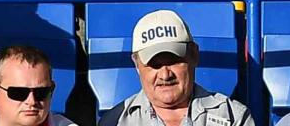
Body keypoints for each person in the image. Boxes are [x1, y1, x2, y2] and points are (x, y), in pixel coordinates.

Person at [103, 14, 253, 126]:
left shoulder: (233, 116)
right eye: (154, 65)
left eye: (174, 61)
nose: (165, 74)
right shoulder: (115, 121)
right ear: (137, 65)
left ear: (194, 55)